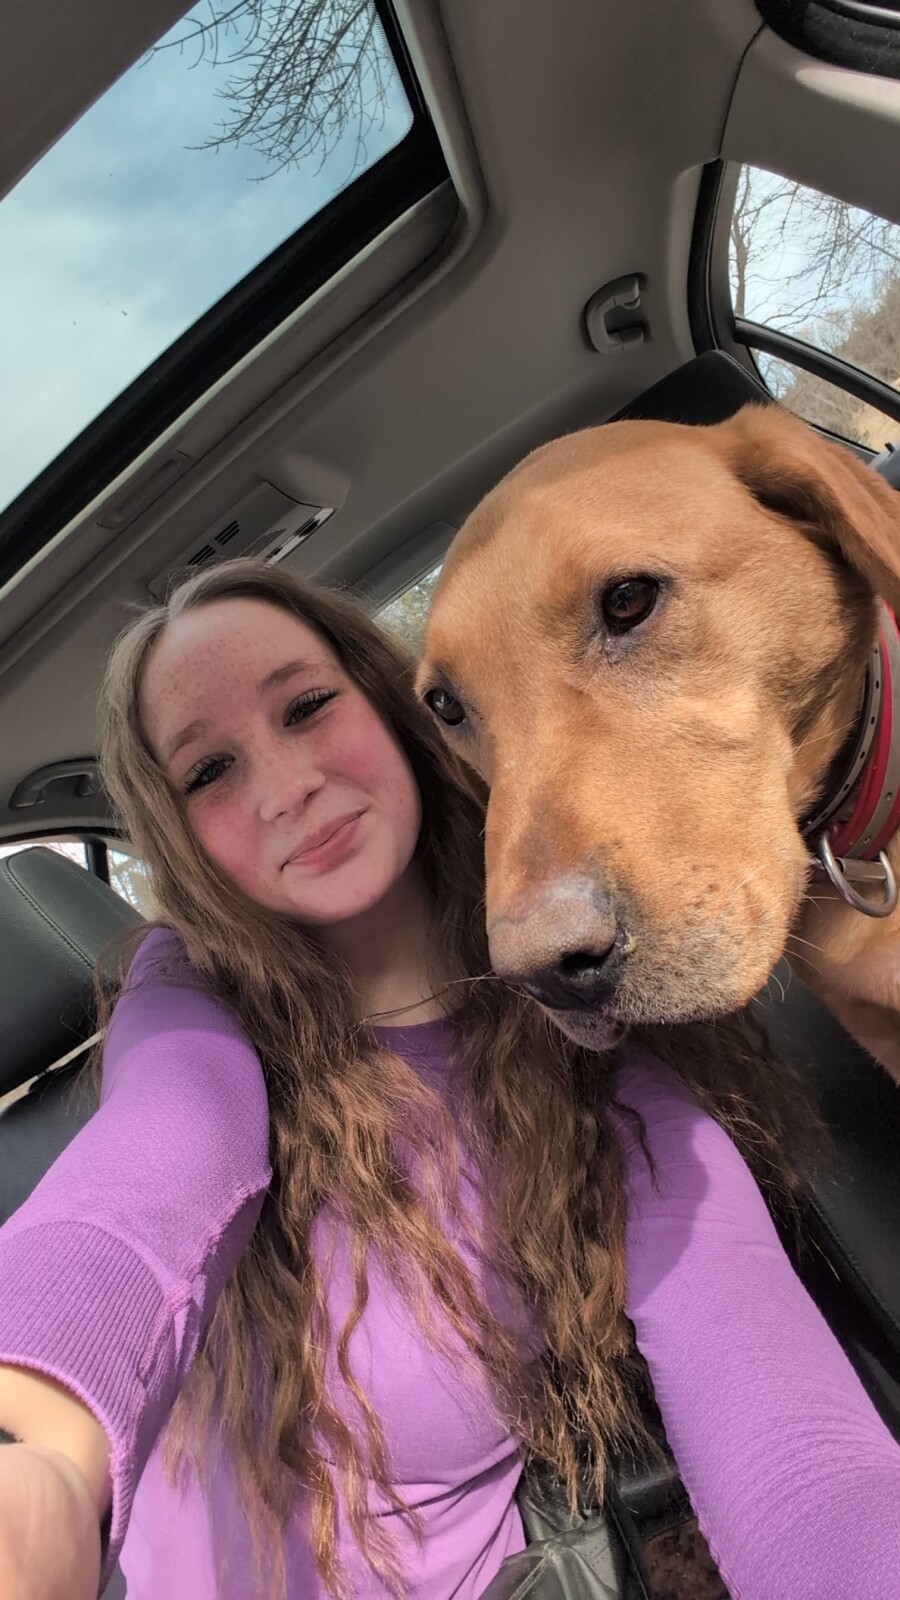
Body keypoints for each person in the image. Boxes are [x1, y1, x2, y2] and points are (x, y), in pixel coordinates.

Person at [0, 556, 898, 1600]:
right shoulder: (188, 993)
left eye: (306, 706)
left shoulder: (593, 1060)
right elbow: (158, 1158)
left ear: (389, 704)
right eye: (210, 771)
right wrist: (40, 1451)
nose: (287, 787)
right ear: (182, 838)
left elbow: (787, 1436)